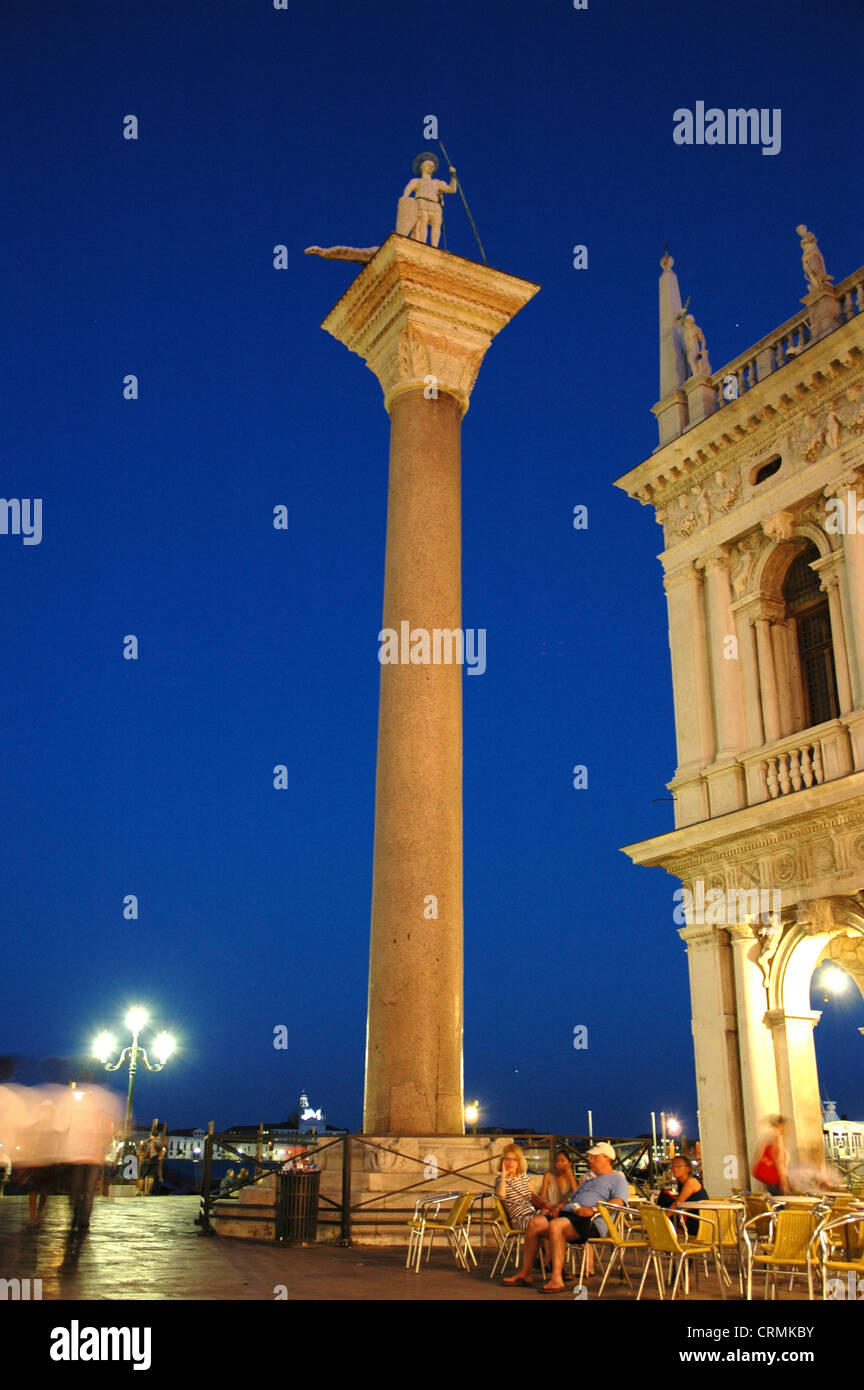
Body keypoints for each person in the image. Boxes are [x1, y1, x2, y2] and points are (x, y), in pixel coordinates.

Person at [540, 1143, 630, 1293]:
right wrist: (562, 1204)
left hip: (592, 1221)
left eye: (594, 1157)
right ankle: (531, 1271)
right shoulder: (589, 1180)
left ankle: (556, 1276)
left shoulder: (618, 1179)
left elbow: (619, 1202)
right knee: (537, 1223)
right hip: (573, 1214)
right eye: (590, 1157)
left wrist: (593, 1209)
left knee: (556, 1226)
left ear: (607, 1159)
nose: (590, 1160)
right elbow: (572, 1197)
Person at [496, 1144, 551, 1285]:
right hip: (519, 1218)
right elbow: (501, 1196)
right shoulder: (500, 1181)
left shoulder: (523, 1177)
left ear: (519, 1161)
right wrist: (503, 1176)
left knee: (552, 1218)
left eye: (514, 1160)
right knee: (546, 1221)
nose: (510, 1163)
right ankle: (549, 1261)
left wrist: (548, 1203)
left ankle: (549, 1261)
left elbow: (534, 1196)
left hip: (533, 1213)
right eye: (507, 1159)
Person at [400, 153, 457, 248]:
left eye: (432, 166)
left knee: (436, 225)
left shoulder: (437, 183)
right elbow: (408, 189)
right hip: (422, 202)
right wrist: (405, 199)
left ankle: (434, 246)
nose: (431, 167)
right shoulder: (417, 181)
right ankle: (422, 245)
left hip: (435, 205)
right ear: (422, 167)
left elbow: (452, 189)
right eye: (428, 165)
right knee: (423, 223)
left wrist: (453, 176)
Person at [657, 1155, 709, 1236]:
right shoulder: (681, 1183)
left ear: (688, 1169)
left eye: (678, 1166)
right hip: (689, 1216)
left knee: (668, 1210)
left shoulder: (691, 1182)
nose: (674, 1169)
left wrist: (663, 1218)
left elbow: (679, 1202)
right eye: (673, 1166)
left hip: (700, 1221)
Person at [752, 1115, 789, 1196]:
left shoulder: (765, 1136)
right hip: (775, 1177)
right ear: (780, 1125)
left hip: (766, 1176)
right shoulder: (776, 1137)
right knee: (781, 1201)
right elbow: (777, 1158)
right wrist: (783, 1180)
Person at [137, 1127, 166, 1197]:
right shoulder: (159, 1143)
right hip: (154, 1162)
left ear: (151, 1135)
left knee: (141, 1177)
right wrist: (161, 1157)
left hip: (144, 1161)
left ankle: (139, 1191)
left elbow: (140, 1151)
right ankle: (147, 1192)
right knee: (151, 1177)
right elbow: (164, 1150)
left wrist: (139, 1156)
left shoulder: (145, 1142)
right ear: (157, 1135)